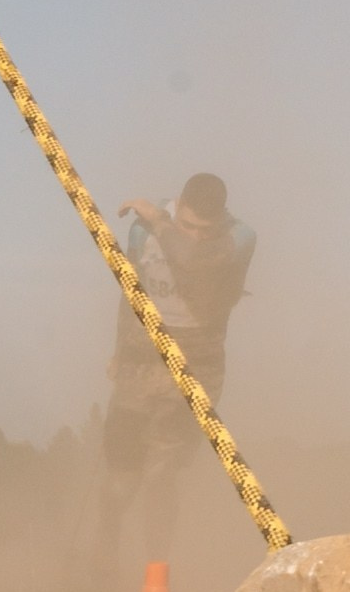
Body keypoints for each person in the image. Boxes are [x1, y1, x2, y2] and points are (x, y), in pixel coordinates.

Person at [99, 172, 256, 558]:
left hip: (197, 368)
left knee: (161, 475)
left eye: (207, 229)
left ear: (222, 219)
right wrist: (120, 351)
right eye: (189, 225)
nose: (197, 235)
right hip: (141, 362)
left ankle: (157, 572)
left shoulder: (238, 237)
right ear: (179, 206)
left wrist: (159, 220)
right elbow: (131, 291)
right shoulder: (142, 233)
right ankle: (105, 548)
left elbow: (195, 260)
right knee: (122, 478)